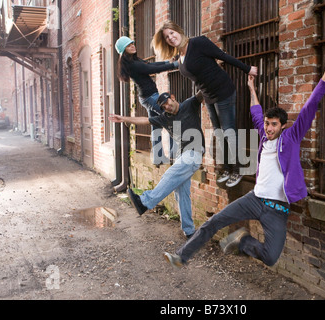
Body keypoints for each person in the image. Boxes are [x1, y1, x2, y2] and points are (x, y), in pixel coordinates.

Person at [163, 53, 325, 268]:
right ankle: (181, 256)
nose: (268, 128)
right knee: (213, 222)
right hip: (254, 199)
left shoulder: (292, 137)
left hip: (277, 209)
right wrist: (251, 88)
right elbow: (255, 111)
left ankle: (243, 241)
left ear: (282, 126)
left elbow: (311, 104)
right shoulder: (263, 133)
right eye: (267, 123)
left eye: (274, 124)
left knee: (270, 257)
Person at [152, 21, 258, 187]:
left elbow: (222, 56)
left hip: (223, 91)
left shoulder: (198, 43)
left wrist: (247, 68)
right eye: (167, 37)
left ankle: (237, 170)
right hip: (208, 97)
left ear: (179, 31)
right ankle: (227, 168)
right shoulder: (180, 58)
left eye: (172, 33)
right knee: (219, 132)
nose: (171, 38)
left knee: (228, 131)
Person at [109, 91, 205, 238]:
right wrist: (123, 118)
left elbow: (202, 92)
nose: (167, 106)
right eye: (163, 106)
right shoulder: (164, 118)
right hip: (182, 155)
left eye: (167, 102)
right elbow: (145, 120)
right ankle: (190, 231)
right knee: (182, 193)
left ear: (173, 98)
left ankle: (145, 202)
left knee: (170, 175)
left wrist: (209, 71)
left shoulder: (189, 104)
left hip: (193, 153)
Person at [115, 36, 177, 165]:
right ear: (123, 51)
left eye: (132, 43)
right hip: (151, 97)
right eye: (129, 45)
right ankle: (174, 155)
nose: (133, 45)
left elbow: (151, 64)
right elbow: (152, 69)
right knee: (172, 120)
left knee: (156, 126)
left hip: (147, 97)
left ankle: (158, 158)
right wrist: (174, 65)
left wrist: (167, 62)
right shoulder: (133, 64)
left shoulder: (134, 61)